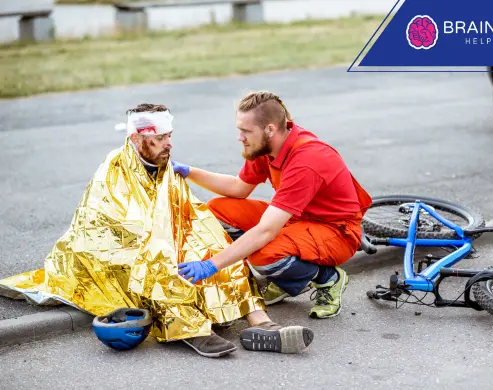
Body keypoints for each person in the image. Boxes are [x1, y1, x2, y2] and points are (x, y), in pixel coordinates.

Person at [0, 103, 314, 358]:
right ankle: (189, 329)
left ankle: (261, 323)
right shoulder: (113, 170)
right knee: (159, 262)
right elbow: (111, 226)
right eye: (160, 137)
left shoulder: (166, 167)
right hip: (112, 251)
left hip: (164, 240)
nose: (169, 143)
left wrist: (206, 248)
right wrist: (167, 242)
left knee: (215, 245)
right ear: (137, 139)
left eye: (170, 135)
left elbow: (189, 212)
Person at [172, 91, 372, 319]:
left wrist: (211, 265)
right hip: (296, 219)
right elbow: (239, 187)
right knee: (218, 210)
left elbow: (266, 230)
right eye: (240, 129)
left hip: (335, 231)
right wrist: (189, 172)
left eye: (246, 131)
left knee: (264, 255)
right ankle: (285, 278)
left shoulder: (306, 160)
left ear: (270, 129)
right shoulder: (266, 147)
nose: (240, 137)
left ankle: (327, 278)